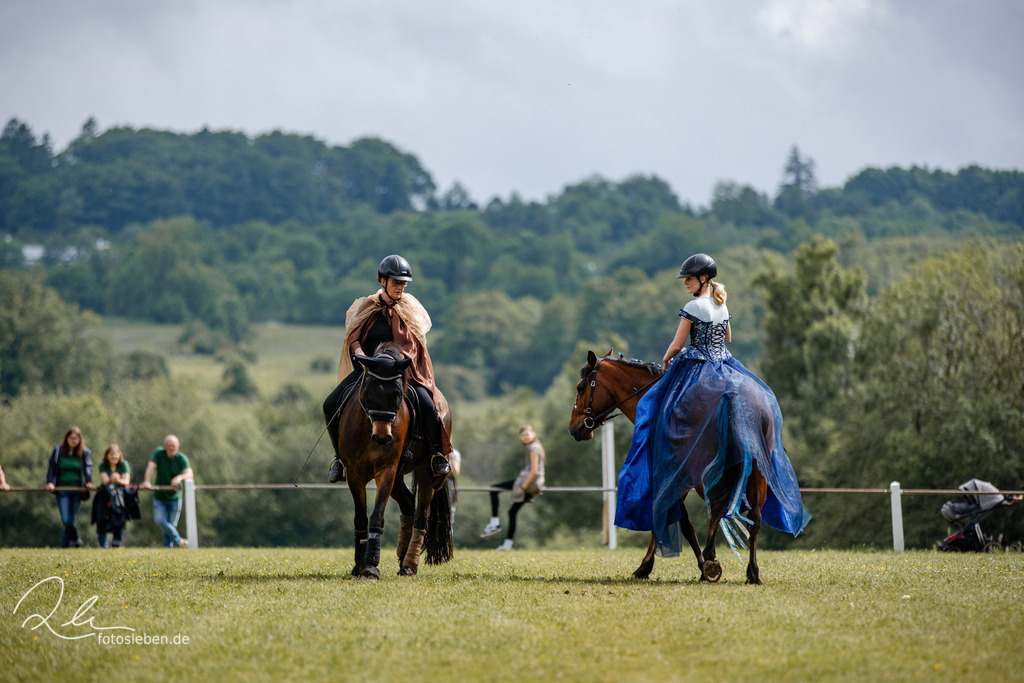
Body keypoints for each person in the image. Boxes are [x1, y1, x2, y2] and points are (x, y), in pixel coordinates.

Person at [615, 253, 810, 556]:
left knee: (655, 407)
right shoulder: (721, 303)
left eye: (689, 279)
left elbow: (678, 345)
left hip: (697, 367)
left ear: (703, 279)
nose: (686, 284)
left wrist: (667, 360)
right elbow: (728, 338)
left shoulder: (693, 306)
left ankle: (668, 460)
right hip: (726, 364)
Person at [323, 254, 453, 483]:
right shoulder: (367, 307)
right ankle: (339, 459)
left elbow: (413, 345)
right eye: (396, 283)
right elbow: (353, 338)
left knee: (429, 407)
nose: (400, 288)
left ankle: (437, 456)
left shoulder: (409, 309)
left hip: (401, 372)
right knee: (330, 404)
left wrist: (395, 363)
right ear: (381, 280)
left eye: (403, 284)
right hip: (369, 371)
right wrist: (361, 355)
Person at [480, 425, 546, 551]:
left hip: (529, 483)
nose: (525, 436)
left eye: (527, 434)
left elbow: (534, 471)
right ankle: (507, 545)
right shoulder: (536, 447)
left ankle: (494, 523)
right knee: (512, 512)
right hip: (534, 483)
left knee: (493, 489)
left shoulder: (533, 448)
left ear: (534, 434)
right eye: (523, 435)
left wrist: (524, 487)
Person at [45, 427, 95, 547]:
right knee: (66, 520)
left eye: (77, 439)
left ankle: (65, 546)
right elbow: (52, 467)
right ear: (67, 438)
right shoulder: (58, 451)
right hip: (62, 490)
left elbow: (88, 468)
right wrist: (50, 482)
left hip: (77, 490)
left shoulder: (83, 453)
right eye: (72, 438)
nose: (74, 441)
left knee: (71, 521)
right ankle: (76, 539)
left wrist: (88, 482)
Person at [141, 435, 194, 548]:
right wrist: (147, 481)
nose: (171, 448)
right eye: (169, 446)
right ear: (164, 446)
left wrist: (179, 478)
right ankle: (179, 541)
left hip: (175, 497)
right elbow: (150, 467)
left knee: (171, 525)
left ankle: (167, 548)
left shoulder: (182, 458)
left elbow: (189, 474)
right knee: (160, 520)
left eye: (173, 446)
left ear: (178, 447)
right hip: (160, 497)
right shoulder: (159, 453)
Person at [95, 444, 131, 548]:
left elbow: (126, 481)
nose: (114, 456)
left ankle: (116, 542)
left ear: (120, 455)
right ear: (106, 456)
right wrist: (112, 479)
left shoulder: (124, 464)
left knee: (120, 518)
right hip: (105, 497)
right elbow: (105, 481)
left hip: (120, 498)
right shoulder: (102, 466)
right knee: (102, 519)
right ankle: (103, 545)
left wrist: (118, 480)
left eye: (116, 454)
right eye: (111, 454)